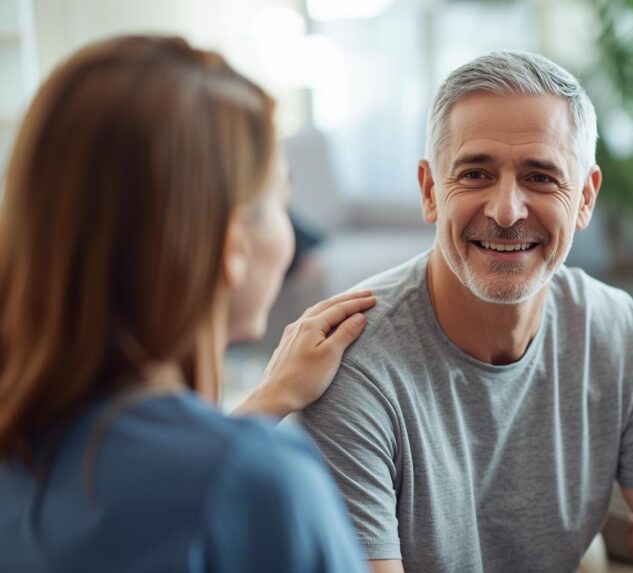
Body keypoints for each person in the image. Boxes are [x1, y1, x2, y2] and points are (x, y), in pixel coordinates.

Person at [299, 50, 633, 572]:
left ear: (584, 198)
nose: (506, 211)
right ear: (429, 191)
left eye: (540, 177)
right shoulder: (350, 368)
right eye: (475, 174)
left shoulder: (611, 328)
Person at [0, 36, 375, 572]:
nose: (289, 234)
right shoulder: (259, 483)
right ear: (232, 245)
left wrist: (266, 402)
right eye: (279, 204)